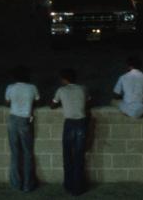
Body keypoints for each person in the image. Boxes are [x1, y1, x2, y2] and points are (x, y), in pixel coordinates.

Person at [50, 68, 90, 196]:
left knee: (67, 155)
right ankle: (78, 188)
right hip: (82, 123)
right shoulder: (83, 88)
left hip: (69, 124)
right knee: (79, 156)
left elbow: (53, 105)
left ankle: (68, 185)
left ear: (64, 79)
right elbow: (89, 102)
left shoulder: (61, 90)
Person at [5, 65, 40, 192]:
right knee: (28, 153)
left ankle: (16, 183)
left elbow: (7, 103)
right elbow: (37, 101)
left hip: (13, 119)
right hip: (25, 120)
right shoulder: (32, 88)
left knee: (15, 153)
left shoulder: (10, 87)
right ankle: (28, 185)